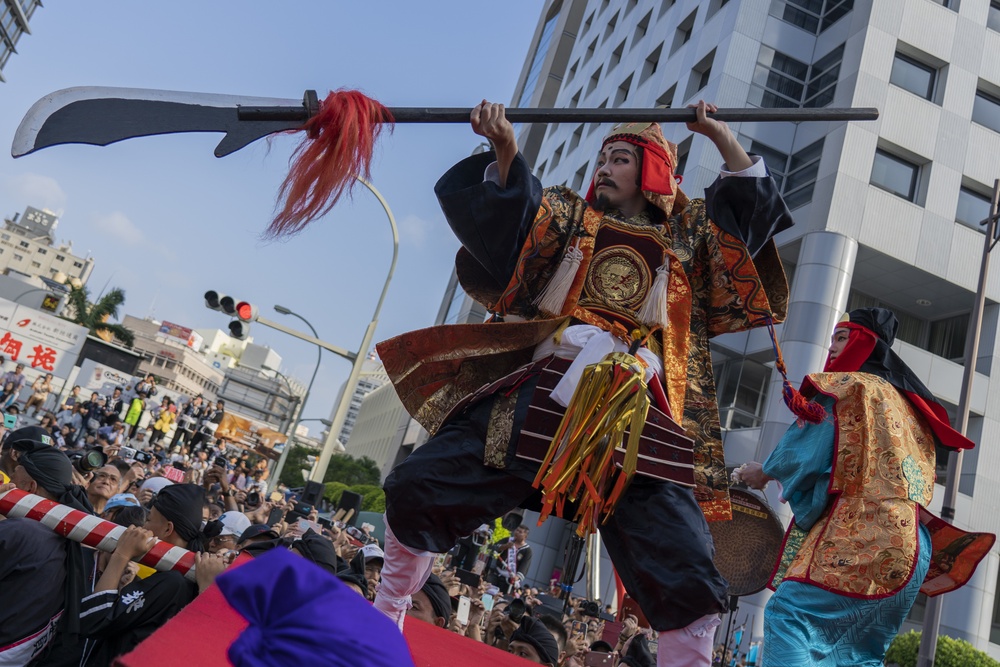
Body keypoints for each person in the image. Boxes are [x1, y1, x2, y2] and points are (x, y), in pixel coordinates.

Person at [375, 100, 792, 666]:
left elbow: (744, 215)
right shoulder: (573, 218)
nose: (604, 169)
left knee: (688, 569)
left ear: (651, 173)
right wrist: (504, 146)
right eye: (602, 159)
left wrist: (717, 134)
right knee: (419, 483)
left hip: (641, 412)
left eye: (620, 159)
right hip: (547, 390)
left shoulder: (688, 236)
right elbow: (514, 220)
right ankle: (383, 620)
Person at [736, 308, 991, 667]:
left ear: (863, 342)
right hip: (913, 549)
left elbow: (809, 454)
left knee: (787, 614)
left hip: (864, 535)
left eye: (841, 338)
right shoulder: (910, 407)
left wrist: (766, 472)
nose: (833, 348)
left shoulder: (853, 386)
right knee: (859, 654)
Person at [78, 483, 226, 666]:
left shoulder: (173, 583)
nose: (143, 526)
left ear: (167, 529)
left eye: (148, 520)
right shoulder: (178, 580)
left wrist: (122, 554)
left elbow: (93, 620)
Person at [0, 428, 95, 666]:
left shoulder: (22, 531)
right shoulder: (69, 544)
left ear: (31, 488)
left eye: (14, 483)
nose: (9, 487)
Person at [487, 524, 532, 593]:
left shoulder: (527, 551)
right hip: (496, 573)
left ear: (525, 536)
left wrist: (516, 577)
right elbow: (495, 548)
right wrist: (506, 546)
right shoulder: (508, 540)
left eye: (520, 532)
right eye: (517, 530)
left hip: (508, 579)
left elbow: (525, 565)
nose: (517, 532)